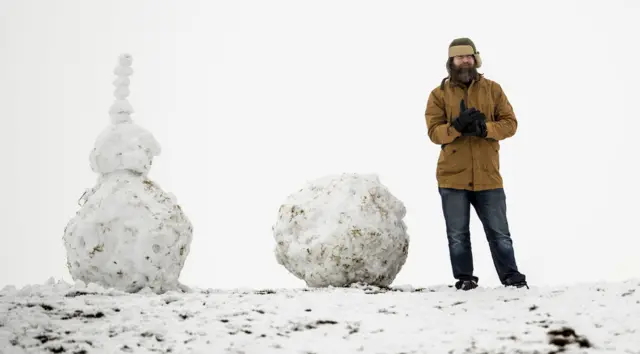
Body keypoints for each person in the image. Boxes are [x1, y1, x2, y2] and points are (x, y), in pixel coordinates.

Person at [424, 37, 528, 290]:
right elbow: (434, 132)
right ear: (451, 62)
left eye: (468, 56)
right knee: (457, 235)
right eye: (459, 57)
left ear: (476, 59)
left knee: (500, 233)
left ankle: (512, 278)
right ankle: (465, 278)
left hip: (488, 175)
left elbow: (510, 124)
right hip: (452, 176)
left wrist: (485, 129)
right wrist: (456, 127)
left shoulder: (493, 90)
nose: (465, 61)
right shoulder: (438, 95)